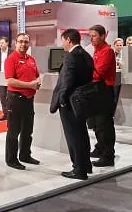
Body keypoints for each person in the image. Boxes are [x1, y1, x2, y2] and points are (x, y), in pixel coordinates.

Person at [50, 28, 94, 181]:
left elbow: (67, 81)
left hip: (70, 103)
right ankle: (86, 165)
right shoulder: (86, 55)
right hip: (82, 101)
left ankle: (79, 170)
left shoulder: (71, 56)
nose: (62, 43)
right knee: (82, 134)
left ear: (68, 40)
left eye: (62, 40)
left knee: (74, 136)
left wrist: (62, 100)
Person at [4, 33, 41, 170]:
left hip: (29, 100)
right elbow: (10, 80)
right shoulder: (11, 59)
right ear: (15, 43)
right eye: (20, 42)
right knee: (14, 131)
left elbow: (37, 75)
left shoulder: (31, 59)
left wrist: (37, 82)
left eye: (26, 42)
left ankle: (25, 155)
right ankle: (11, 159)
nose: (23, 44)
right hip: (15, 99)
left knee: (27, 130)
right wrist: (30, 85)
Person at [87, 25, 117, 167]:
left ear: (103, 36)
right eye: (90, 36)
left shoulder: (107, 51)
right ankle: (100, 148)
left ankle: (108, 155)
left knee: (104, 124)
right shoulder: (97, 51)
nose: (91, 39)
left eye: (94, 36)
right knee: (96, 124)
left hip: (104, 90)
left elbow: (98, 73)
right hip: (96, 90)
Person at [0, 36, 12, 121]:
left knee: (10, 96)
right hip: (0, 77)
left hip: (10, 77)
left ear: (7, 43)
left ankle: (11, 114)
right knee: (2, 96)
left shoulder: (12, 52)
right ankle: (5, 114)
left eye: (2, 43)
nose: (0, 45)